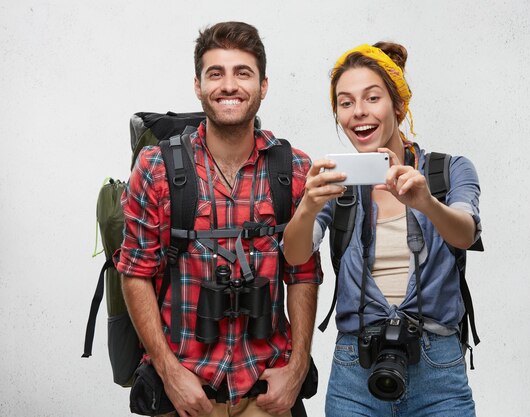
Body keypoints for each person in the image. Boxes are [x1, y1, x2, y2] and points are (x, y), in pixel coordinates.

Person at [115, 21, 321, 417]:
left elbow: (304, 273)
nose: (229, 86)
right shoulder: (156, 168)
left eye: (243, 73)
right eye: (216, 73)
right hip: (185, 391)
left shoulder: (293, 169)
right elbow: (135, 272)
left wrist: (296, 369)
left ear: (263, 86)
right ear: (198, 85)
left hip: (267, 391)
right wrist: (169, 372)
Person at [282, 42, 481, 416]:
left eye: (372, 98)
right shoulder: (336, 183)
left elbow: (465, 234)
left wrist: (425, 202)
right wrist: (308, 206)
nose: (358, 112)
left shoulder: (448, 170)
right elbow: (294, 255)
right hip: (354, 368)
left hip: (438, 367)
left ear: (398, 106)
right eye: (345, 102)